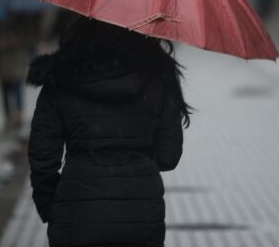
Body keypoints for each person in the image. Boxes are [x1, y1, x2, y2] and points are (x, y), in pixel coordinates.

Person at [25, 17, 191, 247]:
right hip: (140, 217)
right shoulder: (157, 75)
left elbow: (42, 156)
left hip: (77, 216)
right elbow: (168, 156)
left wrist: (52, 208)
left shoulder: (62, 76)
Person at [0, 17, 34, 130]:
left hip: (16, 65)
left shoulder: (22, 21)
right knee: (5, 93)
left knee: (17, 91)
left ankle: (18, 116)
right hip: (3, 65)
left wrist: (15, 41)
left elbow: (30, 40)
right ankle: (8, 117)